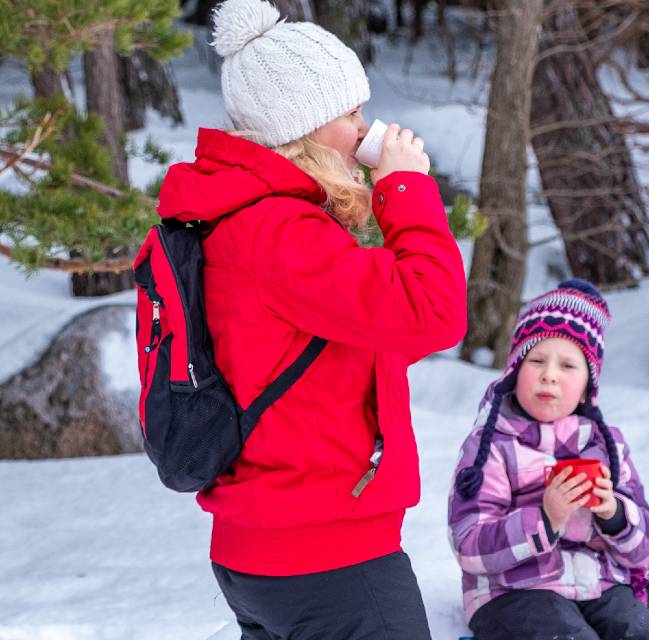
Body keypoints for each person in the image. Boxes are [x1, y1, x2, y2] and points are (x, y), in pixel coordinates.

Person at [155, 0, 466, 636]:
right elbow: (434, 312)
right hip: (328, 558)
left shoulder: (238, 218)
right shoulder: (278, 231)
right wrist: (404, 188)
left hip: (266, 550)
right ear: (304, 124)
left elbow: (334, 349)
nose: (362, 128)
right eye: (350, 112)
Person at [448, 280, 649, 639]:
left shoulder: (608, 447)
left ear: (588, 385)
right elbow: (469, 547)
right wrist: (545, 519)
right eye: (536, 360)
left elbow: (647, 549)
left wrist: (612, 512)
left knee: (647, 633)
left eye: (568, 365)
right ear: (514, 371)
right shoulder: (491, 445)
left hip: (599, 588)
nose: (549, 374)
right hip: (514, 594)